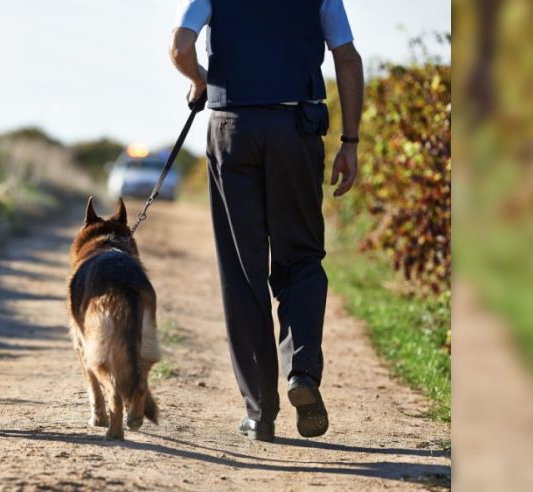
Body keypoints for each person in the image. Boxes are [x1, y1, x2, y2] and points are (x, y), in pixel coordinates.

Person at [169, 0, 363, 442]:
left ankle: (260, 411)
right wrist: (349, 142)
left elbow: (181, 47)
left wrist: (200, 81)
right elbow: (347, 58)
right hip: (296, 127)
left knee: (243, 269)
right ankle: (302, 372)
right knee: (302, 258)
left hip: (232, 127)